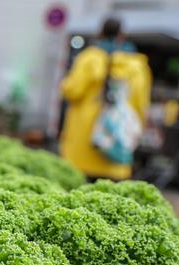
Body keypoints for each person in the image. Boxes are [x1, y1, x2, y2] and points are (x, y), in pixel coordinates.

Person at [60, 17, 152, 180]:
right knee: (108, 193)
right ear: (122, 35)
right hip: (116, 139)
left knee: (78, 188)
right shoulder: (137, 65)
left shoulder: (89, 58)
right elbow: (141, 104)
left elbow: (72, 91)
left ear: (100, 33)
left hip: (85, 139)